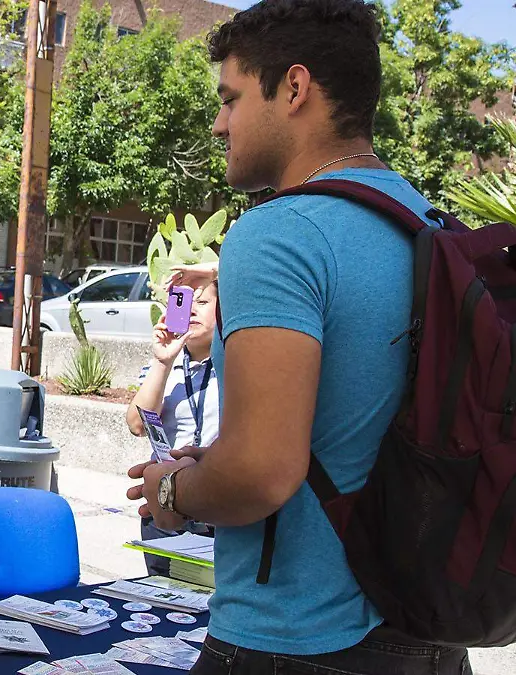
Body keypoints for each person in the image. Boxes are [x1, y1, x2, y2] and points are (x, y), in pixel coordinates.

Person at [127, 1, 473, 672]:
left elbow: (263, 470)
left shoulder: (278, 232)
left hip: (294, 640)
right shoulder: (430, 225)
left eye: (230, 98)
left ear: (293, 88)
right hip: (426, 637)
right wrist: (219, 460)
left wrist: (173, 490)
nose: (219, 123)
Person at [124, 280, 219, 576]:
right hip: (164, 503)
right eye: (185, 302)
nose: (191, 310)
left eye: (202, 303)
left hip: (217, 507)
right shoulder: (166, 364)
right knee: (163, 596)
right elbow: (138, 423)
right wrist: (163, 362)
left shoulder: (238, 366)